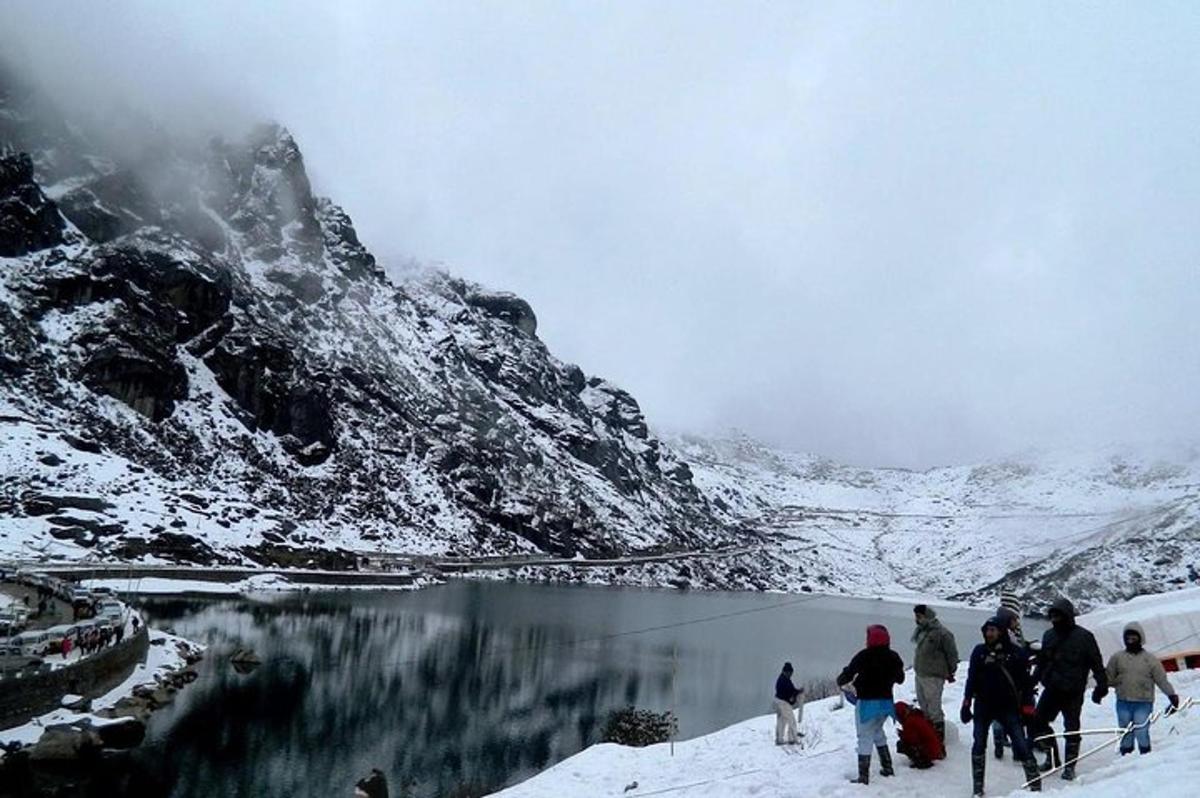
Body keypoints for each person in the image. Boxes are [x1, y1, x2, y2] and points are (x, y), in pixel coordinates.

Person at [962, 616, 1042, 795]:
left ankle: (1035, 784)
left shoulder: (1015, 653)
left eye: (993, 630)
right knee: (978, 745)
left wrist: (1028, 707)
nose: (989, 634)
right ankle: (978, 789)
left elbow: (1025, 683)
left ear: (1001, 632)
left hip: (1008, 707)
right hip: (983, 706)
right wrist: (966, 703)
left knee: (1021, 744)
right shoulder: (979, 651)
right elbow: (972, 678)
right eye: (987, 630)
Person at [1032, 597, 1107, 781]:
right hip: (1052, 687)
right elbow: (1042, 661)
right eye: (1053, 615)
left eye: (1059, 615)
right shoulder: (1048, 635)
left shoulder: (1084, 637)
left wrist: (1101, 686)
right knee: (1038, 723)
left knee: (1072, 728)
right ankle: (1052, 757)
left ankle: (1069, 767)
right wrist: (1031, 682)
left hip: (1073, 690)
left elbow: (1096, 663)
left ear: (1067, 615)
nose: (1055, 618)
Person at [837, 624, 904, 785]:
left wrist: (842, 678)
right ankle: (887, 767)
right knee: (877, 732)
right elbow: (901, 679)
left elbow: (846, 676)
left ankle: (863, 777)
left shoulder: (864, 656)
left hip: (867, 703)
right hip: (885, 703)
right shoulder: (893, 656)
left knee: (864, 736)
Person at [1105, 622, 1179, 755]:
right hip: (1123, 701)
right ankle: (1126, 755)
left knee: (1141, 730)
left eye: (1134, 638)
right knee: (1125, 730)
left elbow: (1161, 680)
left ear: (1141, 639)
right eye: (1128, 639)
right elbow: (1108, 678)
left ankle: (1145, 755)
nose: (1130, 641)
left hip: (1143, 702)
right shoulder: (1117, 658)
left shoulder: (1150, 660)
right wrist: (1105, 686)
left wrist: (1172, 695)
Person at [912, 604, 959, 745]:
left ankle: (938, 740)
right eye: (916, 616)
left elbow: (952, 654)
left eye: (919, 616)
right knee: (924, 706)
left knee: (934, 708)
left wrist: (951, 671)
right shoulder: (922, 632)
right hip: (920, 673)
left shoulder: (942, 633)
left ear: (927, 616)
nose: (917, 619)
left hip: (934, 675)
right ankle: (928, 737)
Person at [893, 701, 944, 769]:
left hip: (932, 752)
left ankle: (922, 761)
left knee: (902, 745)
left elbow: (912, 740)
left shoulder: (909, 721)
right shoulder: (916, 715)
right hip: (938, 749)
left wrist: (902, 734)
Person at [774, 661, 804, 744]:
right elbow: (789, 693)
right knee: (792, 720)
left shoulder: (784, 679)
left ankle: (779, 739)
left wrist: (797, 692)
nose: (790, 674)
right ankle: (793, 739)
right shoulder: (783, 681)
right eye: (789, 673)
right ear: (785, 671)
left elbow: (791, 690)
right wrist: (797, 693)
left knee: (782, 721)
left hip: (778, 701)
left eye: (791, 673)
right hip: (783, 702)